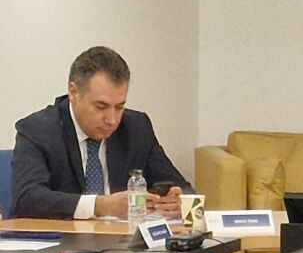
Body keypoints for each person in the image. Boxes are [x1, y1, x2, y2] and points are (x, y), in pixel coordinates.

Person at [11, 46, 192, 219]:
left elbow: (182, 187)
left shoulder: (136, 127)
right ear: (73, 93)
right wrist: (100, 206)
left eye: (119, 107)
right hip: (65, 238)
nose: (112, 120)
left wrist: (178, 201)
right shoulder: (38, 130)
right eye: (100, 107)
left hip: (123, 237)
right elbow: (26, 198)